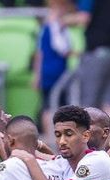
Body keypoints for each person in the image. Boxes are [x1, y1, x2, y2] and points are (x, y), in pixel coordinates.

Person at [32, 0, 74, 133]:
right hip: (55, 72)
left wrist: (37, 75)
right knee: (52, 105)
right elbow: (62, 48)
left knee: (48, 105)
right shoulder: (55, 28)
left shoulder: (44, 28)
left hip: (47, 71)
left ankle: (52, 134)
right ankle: (51, 135)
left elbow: (39, 53)